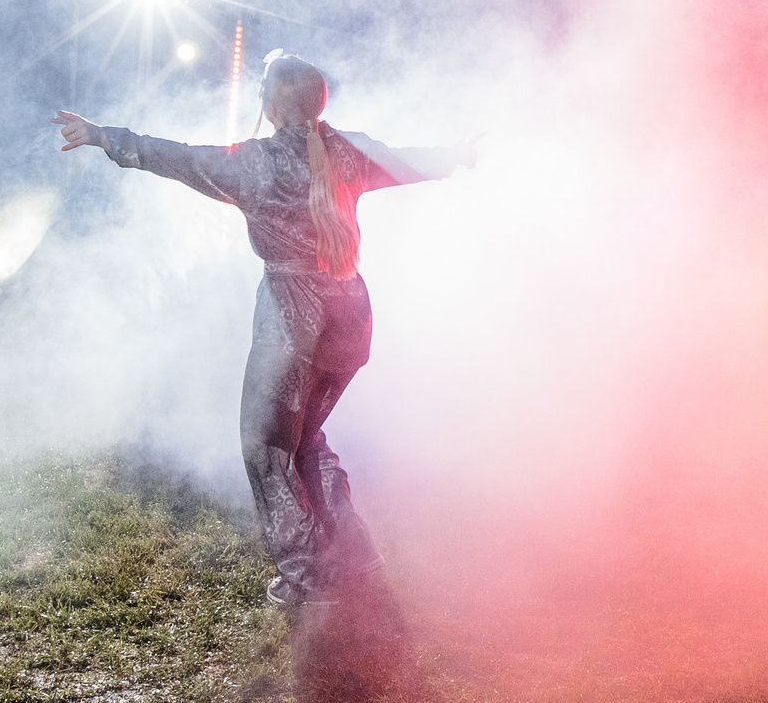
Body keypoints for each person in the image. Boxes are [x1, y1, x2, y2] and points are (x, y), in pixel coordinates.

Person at [54, 53, 472, 608]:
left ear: (272, 105)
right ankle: (354, 555)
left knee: (267, 448)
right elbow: (408, 161)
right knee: (306, 438)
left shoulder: (255, 162)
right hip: (350, 313)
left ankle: (311, 577)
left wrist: (101, 136)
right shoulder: (348, 149)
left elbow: (176, 157)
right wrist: (455, 155)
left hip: (294, 321)